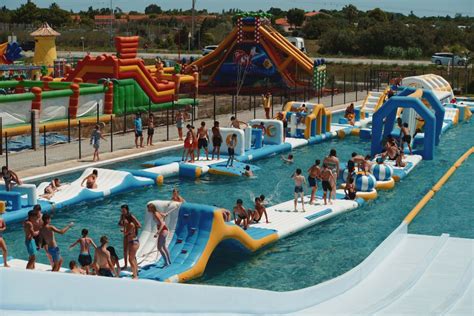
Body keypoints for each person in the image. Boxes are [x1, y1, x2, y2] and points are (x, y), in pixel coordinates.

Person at [118, 204, 141, 270]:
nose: (122, 212)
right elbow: (120, 224)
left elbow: (139, 225)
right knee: (125, 250)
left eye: (123, 210)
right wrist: (122, 225)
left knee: (131, 251)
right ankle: (125, 265)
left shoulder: (131, 216)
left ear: (127, 210)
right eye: (121, 210)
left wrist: (131, 228)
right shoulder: (122, 216)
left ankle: (134, 266)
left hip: (131, 235)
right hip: (125, 235)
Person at [124, 213, 140, 279]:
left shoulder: (131, 224)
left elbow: (125, 233)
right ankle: (135, 273)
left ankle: (135, 275)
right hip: (132, 242)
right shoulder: (130, 224)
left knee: (130, 259)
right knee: (133, 258)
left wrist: (124, 226)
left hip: (134, 243)